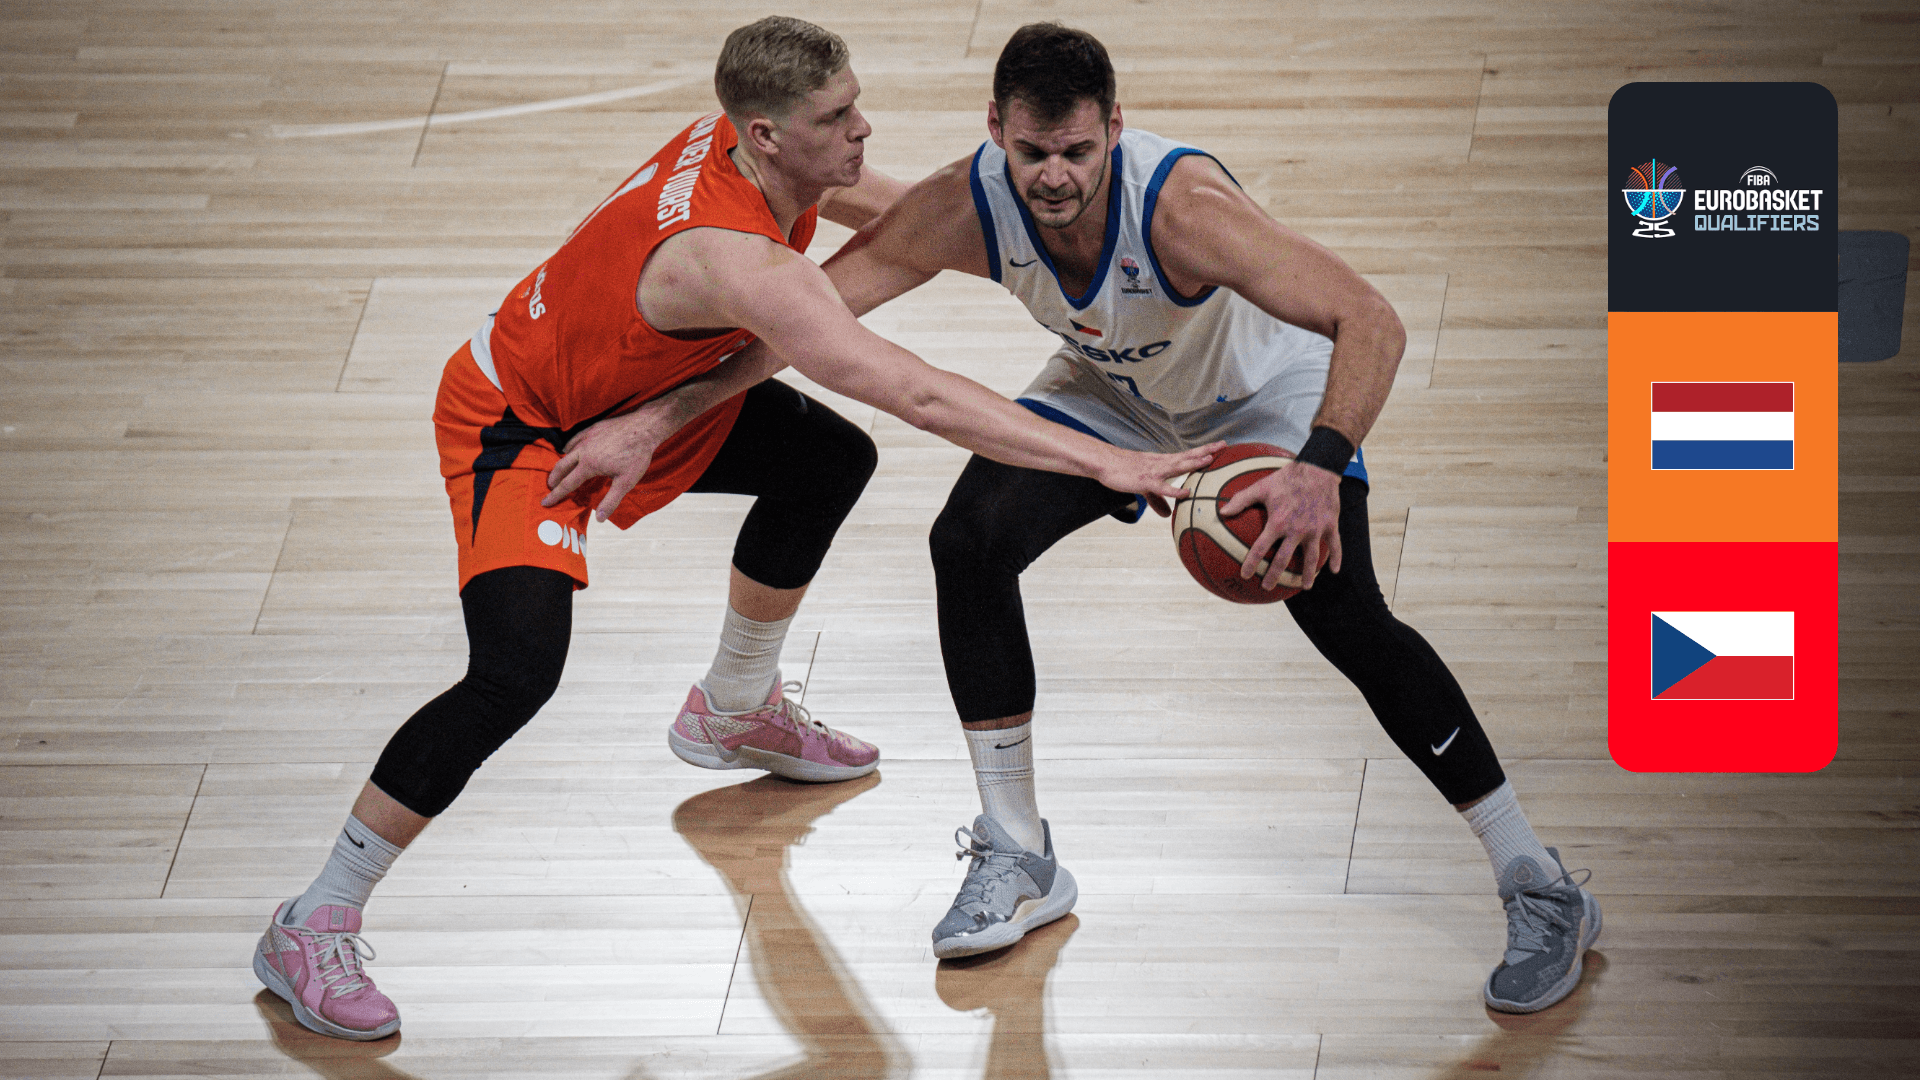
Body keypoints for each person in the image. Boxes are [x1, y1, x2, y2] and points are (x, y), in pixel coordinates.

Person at [251, 16, 1218, 1042]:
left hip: (632, 396)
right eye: (837, 118)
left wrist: (1051, 241)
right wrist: (1105, 459)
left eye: (854, 104)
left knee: (825, 461)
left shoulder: (760, 152)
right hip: (523, 425)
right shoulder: (737, 261)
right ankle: (315, 919)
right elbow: (919, 393)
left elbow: (922, 219)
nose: (862, 129)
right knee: (513, 673)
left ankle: (734, 706)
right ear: (766, 135)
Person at [807, 23, 1602, 1014]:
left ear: (1115, 129)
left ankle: (1538, 881)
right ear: (996, 130)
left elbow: (1372, 320)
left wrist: (1320, 464)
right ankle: (1017, 853)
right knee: (967, 542)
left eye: (1077, 151)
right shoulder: (967, 203)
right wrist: (666, 403)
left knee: (1344, 614)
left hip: (1266, 400)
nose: (1053, 176)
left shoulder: (1182, 211)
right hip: (1115, 393)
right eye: (1032, 151)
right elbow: (807, 312)